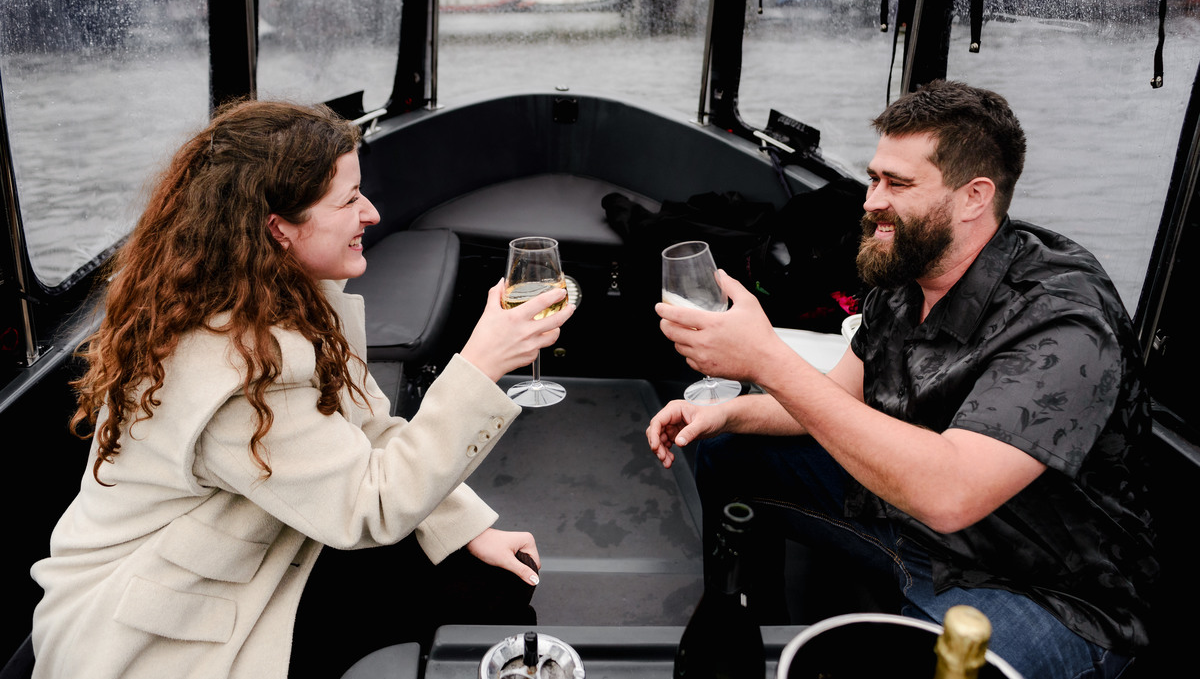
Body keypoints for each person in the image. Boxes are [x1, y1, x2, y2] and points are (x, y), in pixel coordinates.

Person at [30, 100, 574, 679]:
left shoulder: (281, 296)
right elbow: (370, 507)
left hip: (255, 545)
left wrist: (465, 528)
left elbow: (370, 432)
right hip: (157, 624)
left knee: (493, 585)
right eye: (348, 200)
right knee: (483, 599)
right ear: (278, 228)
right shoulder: (228, 365)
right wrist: (480, 364)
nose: (371, 212)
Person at [646, 81, 1156, 679]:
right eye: (874, 178)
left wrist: (765, 360)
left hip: (1038, 584)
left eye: (898, 184)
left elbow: (950, 494)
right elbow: (841, 395)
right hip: (905, 519)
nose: (870, 202)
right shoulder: (908, 270)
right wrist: (730, 414)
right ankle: (744, 629)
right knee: (730, 454)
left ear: (974, 197)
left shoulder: (1066, 323)